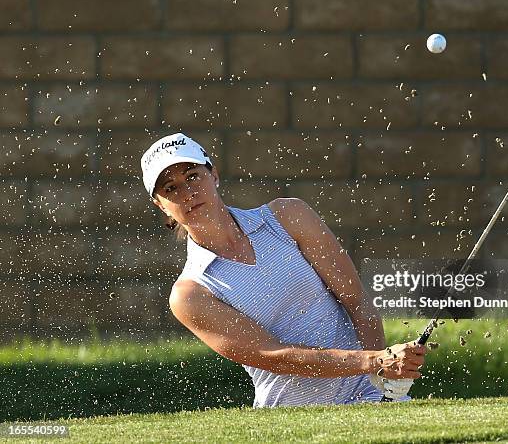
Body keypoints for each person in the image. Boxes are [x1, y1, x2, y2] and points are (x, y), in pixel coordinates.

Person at [140, 133, 428, 407]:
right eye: (171, 188)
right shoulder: (190, 294)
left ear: (213, 175)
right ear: (160, 205)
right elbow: (277, 356)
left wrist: (379, 380)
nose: (188, 192)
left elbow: (357, 301)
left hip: (370, 397)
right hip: (292, 420)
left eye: (193, 176)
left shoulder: (289, 216)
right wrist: (376, 360)